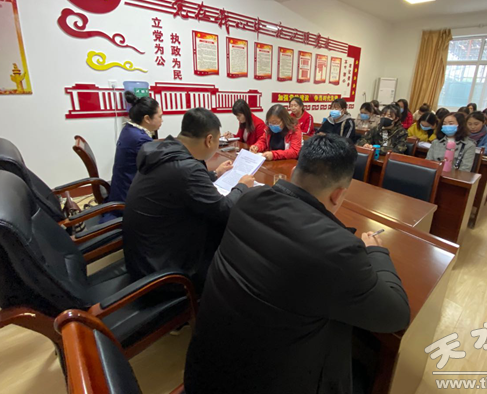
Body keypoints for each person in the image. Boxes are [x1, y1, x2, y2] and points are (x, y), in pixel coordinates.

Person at [184, 134, 410, 394]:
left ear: (293, 173)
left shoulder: (248, 201)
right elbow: (396, 315)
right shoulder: (339, 249)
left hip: (204, 373)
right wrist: (376, 252)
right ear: (338, 195)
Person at [123, 108, 255, 287]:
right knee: (229, 228)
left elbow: (178, 182)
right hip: (161, 270)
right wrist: (242, 186)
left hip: (145, 253)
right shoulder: (187, 169)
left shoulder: (164, 150)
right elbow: (225, 209)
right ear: (209, 140)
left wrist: (214, 174)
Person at [106, 92, 163, 217]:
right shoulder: (140, 139)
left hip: (121, 190)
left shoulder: (130, 130)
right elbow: (159, 168)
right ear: (147, 119)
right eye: (160, 116)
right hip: (128, 200)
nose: (162, 120)